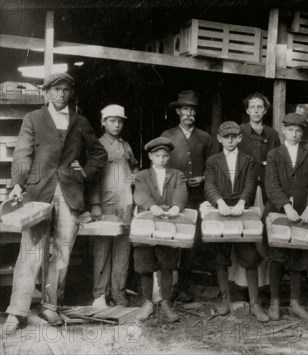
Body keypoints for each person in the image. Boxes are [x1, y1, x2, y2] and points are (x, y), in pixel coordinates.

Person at [2, 73, 107, 333]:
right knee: (30, 251)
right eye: (56, 89)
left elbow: (98, 154)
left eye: (66, 90)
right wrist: (17, 184)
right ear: (46, 92)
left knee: (61, 253)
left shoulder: (81, 122)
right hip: (39, 194)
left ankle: (50, 307)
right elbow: (23, 154)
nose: (61, 94)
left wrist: (83, 171)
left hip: (70, 194)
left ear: (71, 93)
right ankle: (17, 312)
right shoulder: (33, 119)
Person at [204, 121, 269, 322]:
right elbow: (209, 185)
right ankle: (225, 301)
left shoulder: (248, 160)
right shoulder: (213, 161)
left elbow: (251, 184)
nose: (230, 140)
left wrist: (242, 202)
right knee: (220, 257)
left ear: (240, 138)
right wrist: (219, 202)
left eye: (234, 136)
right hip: (221, 212)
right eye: (226, 137)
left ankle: (255, 303)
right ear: (219, 139)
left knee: (249, 256)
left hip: (242, 212)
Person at [264, 113, 308, 321]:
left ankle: (295, 303)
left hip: (302, 213)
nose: (294, 134)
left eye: (298, 131)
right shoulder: (274, 154)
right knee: (277, 257)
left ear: (302, 133)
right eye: (290, 130)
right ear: (284, 131)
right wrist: (286, 206)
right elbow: (271, 184)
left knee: (299, 256)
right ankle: (274, 302)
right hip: (280, 211)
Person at [161, 90, 215, 302]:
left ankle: (183, 285)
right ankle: (168, 286)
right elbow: (160, 164)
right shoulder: (167, 135)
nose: (189, 113)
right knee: (172, 236)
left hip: (197, 196)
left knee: (192, 241)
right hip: (174, 196)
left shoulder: (205, 137)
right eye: (185, 109)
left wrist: (203, 178)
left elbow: (212, 166)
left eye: (192, 110)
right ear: (178, 111)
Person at [132, 137, 187, 322]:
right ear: (150, 156)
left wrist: (176, 207)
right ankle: (147, 302)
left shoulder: (177, 175)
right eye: (157, 156)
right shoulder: (142, 175)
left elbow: (181, 191)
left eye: (165, 156)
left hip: (168, 225)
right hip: (147, 223)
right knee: (145, 263)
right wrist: (151, 206)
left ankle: (166, 303)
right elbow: (140, 193)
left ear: (169, 157)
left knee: (167, 263)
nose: (161, 159)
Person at [89, 104, 139, 308]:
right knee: (102, 248)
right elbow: (92, 178)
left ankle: (118, 292)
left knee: (122, 248)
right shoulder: (97, 146)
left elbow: (134, 165)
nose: (117, 125)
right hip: (105, 203)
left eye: (120, 121)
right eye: (112, 121)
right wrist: (94, 204)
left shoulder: (126, 145)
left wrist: (134, 175)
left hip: (126, 203)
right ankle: (100, 293)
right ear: (103, 122)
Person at [237, 92, 281, 203]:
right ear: (247, 110)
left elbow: (278, 162)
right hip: (243, 182)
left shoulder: (272, 134)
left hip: (266, 183)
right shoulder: (239, 131)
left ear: (265, 110)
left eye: (260, 107)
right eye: (252, 107)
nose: (256, 111)